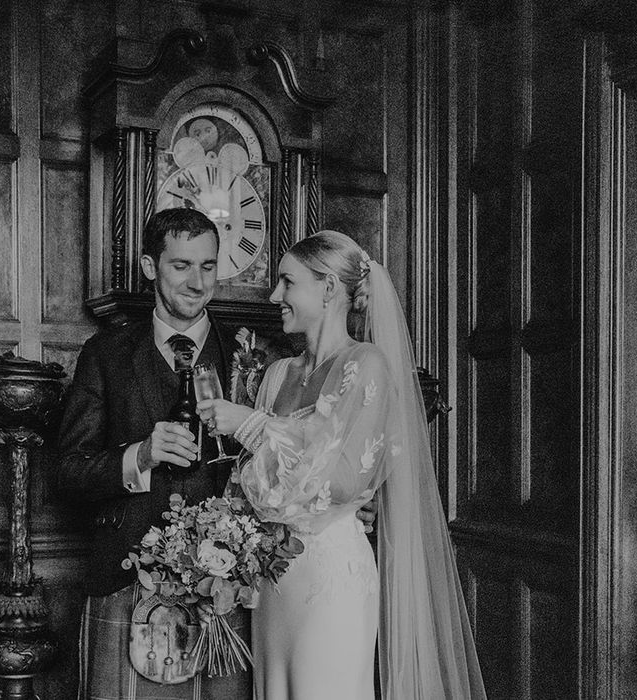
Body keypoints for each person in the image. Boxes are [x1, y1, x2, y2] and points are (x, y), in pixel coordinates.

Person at [197, 231, 488, 699]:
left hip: (330, 578)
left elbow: (338, 480)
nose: (275, 297)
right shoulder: (277, 374)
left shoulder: (366, 363)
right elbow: (254, 483)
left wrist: (251, 425)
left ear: (328, 288)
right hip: (273, 583)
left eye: (287, 283)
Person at [56, 208, 251, 700]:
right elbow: (69, 472)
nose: (197, 281)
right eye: (181, 265)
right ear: (149, 266)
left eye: (208, 266)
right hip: (126, 579)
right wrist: (138, 456)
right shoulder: (105, 354)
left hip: (226, 596)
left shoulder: (249, 353)